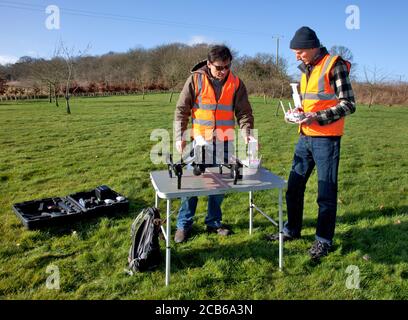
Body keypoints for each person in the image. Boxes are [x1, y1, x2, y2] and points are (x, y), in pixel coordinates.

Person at [266, 26, 356, 260]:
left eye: (299, 52)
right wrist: (298, 112)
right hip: (304, 137)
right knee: (294, 187)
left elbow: (348, 104)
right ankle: (291, 230)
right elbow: (311, 105)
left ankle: (323, 240)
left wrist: (316, 117)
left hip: (326, 140)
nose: (296, 56)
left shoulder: (334, 65)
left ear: (312, 47)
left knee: (326, 193)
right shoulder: (307, 69)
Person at [173, 44, 254, 243]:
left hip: (225, 143)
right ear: (209, 64)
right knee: (191, 186)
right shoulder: (195, 80)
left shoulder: (236, 83)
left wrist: (247, 134)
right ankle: (184, 224)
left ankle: (214, 222)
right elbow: (181, 110)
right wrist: (179, 137)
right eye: (219, 68)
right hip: (199, 142)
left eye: (227, 67)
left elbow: (244, 112)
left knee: (219, 186)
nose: (223, 71)